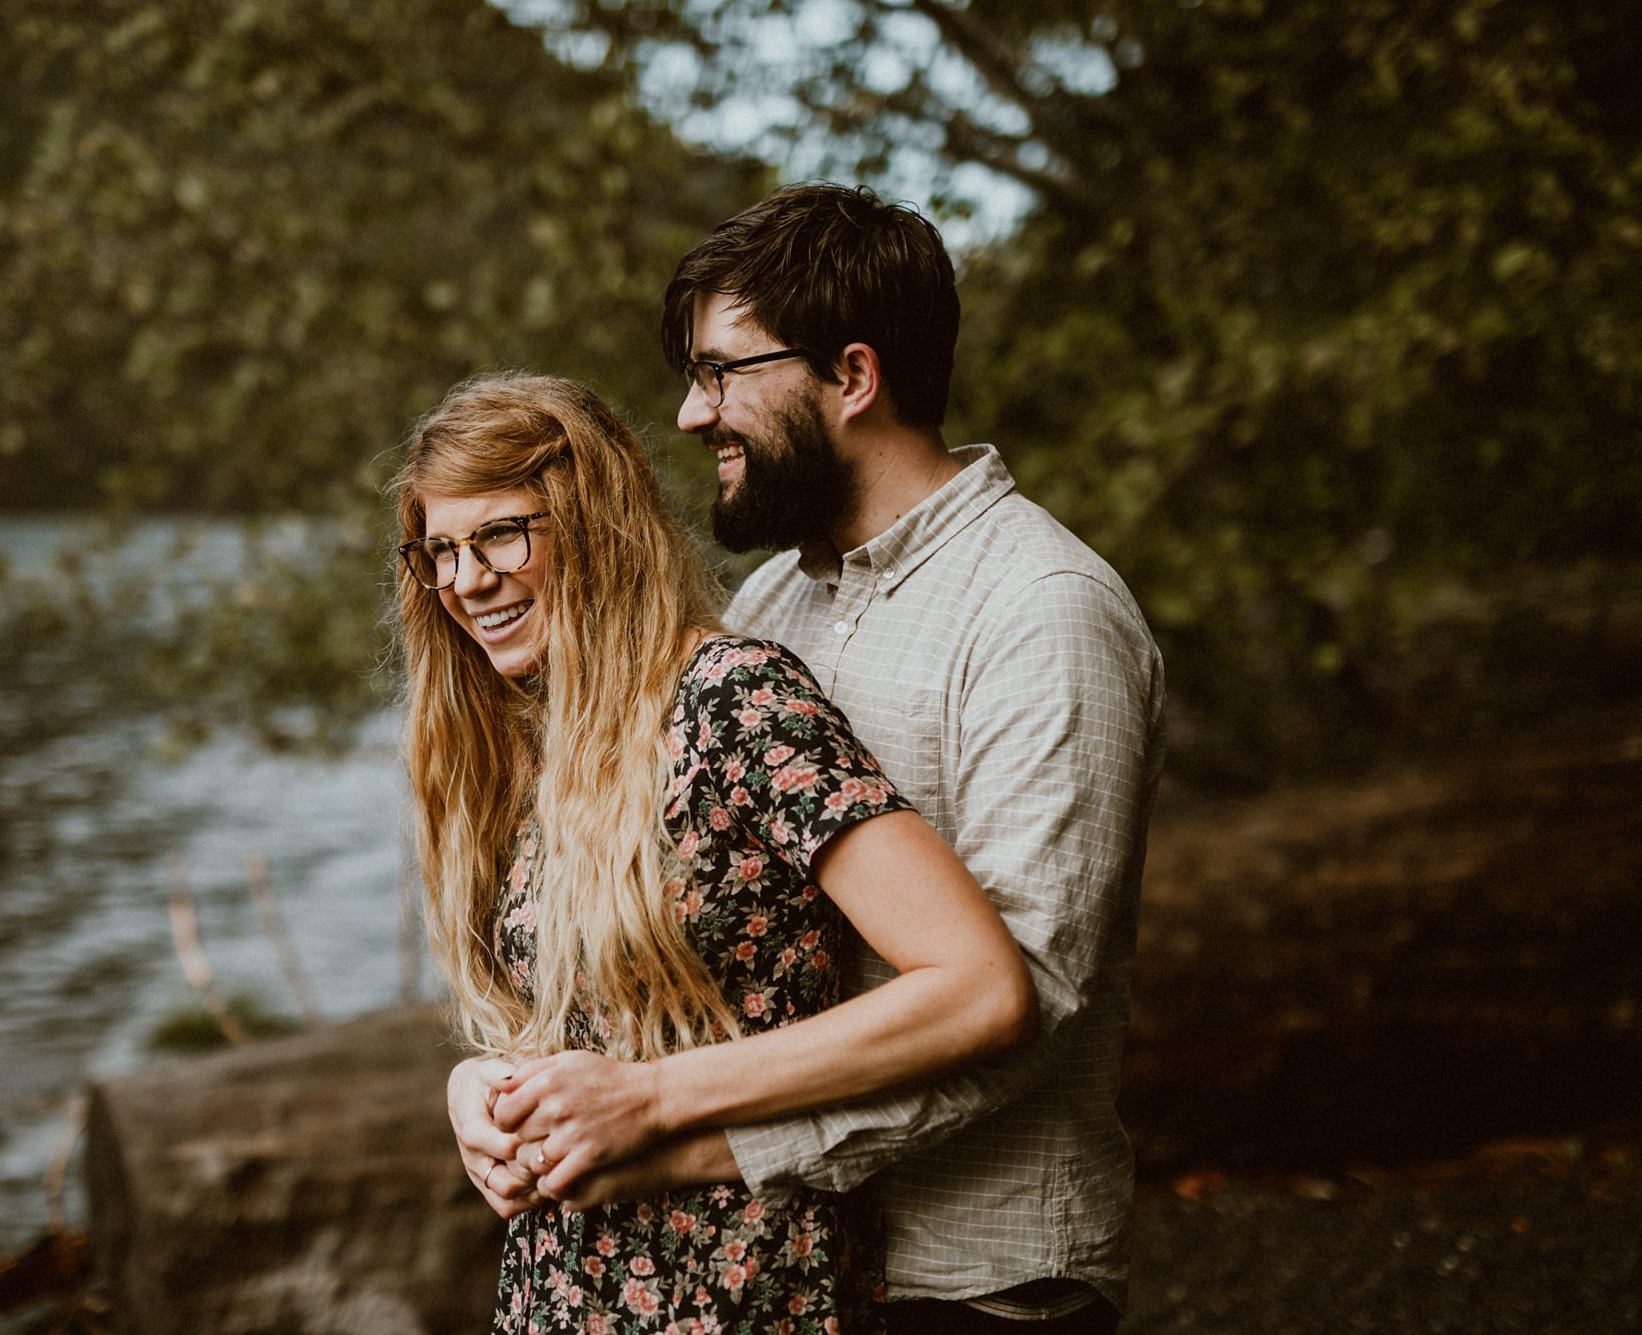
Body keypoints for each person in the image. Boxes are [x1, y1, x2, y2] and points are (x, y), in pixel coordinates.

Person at [452, 186, 1166, 1334]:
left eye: (720, 372)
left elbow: (1024, 996)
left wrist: (681, 1133)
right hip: (795, 1277)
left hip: (969, 1281)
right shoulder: (772, 601)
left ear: (852, 375)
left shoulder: (1042, 610)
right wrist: (499, 1089)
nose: (692, 414)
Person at [396, 371, 1039, 1334]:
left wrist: (648, 1097)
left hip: (744, 1289)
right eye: (440, 550)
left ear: (595, 524)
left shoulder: (733, 699)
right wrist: (481, 1090)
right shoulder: (535, 734)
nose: (467, 579)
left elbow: (979, 986)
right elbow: (592, 1022)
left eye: (500, 534)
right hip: (564, 1291)